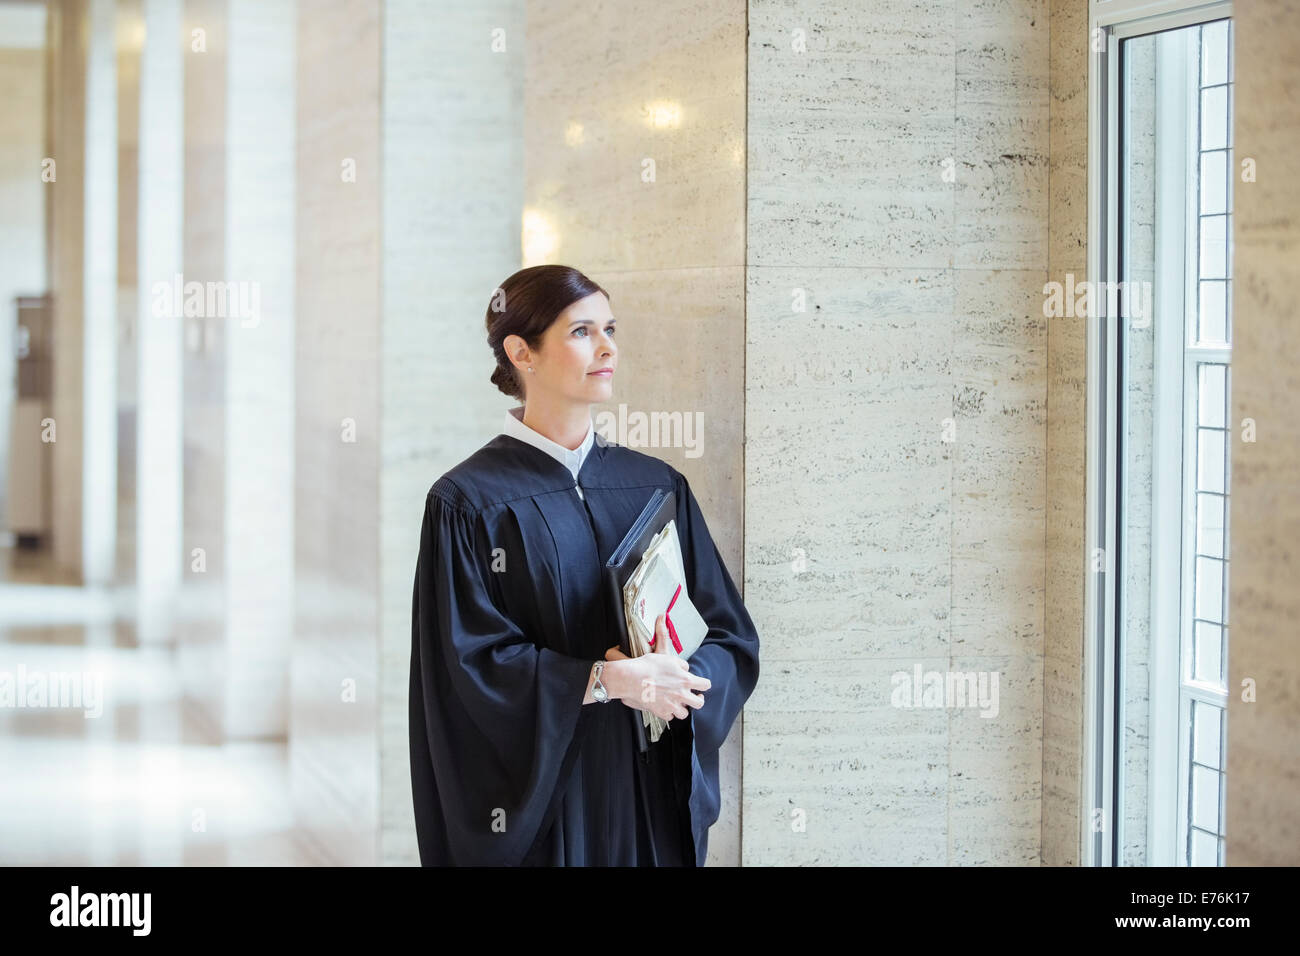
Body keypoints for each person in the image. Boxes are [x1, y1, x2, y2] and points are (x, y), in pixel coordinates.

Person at [409, 264, 760, 866]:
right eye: (581, 332)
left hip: (649, 788)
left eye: (611, 328)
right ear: (522, 352)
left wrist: (677, 678)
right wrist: (601, 681)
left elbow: (729, 635)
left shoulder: (654, 485)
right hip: (549, 801)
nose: (608, 348)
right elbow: (466, 666)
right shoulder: (468, 503)